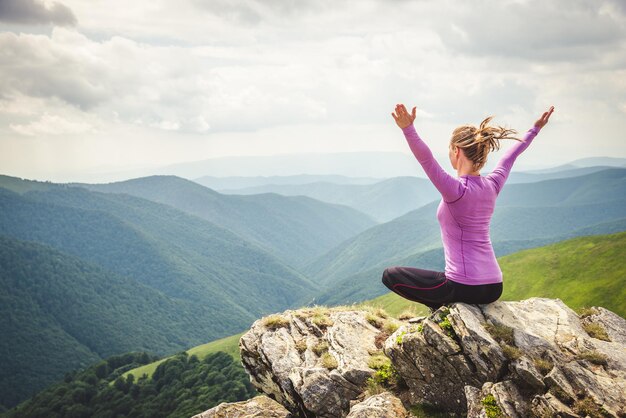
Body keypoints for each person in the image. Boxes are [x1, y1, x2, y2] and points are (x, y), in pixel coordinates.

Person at [381, 104, 554, 311]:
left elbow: (425, 159)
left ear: (456, 150)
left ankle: (440, 307)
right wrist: (534, 129)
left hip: (462, 286)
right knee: (432, 279)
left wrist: (408, 129)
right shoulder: (492, 185)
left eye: (449, 150)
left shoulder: (456, 191)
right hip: (494, 286)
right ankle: (444, 306)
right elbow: (510, 157)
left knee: (390, 275)